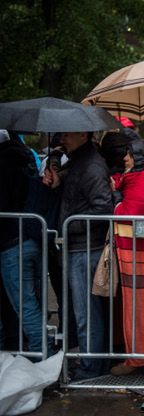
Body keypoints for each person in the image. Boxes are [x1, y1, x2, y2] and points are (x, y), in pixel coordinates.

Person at [43, 130, 113, 380]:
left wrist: (68, 225)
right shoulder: (78, 162)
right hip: (79, 246)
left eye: (68, 134)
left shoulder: (91, 165)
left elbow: (102, 207)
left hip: (86, 249)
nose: (62, 138)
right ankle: (91, 363)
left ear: (83, 135)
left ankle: (91, 366)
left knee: (86, 313)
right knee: (84, 312)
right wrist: (58, 183)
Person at [109, 139, 144, 376]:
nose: (125, 159)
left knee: (138, 305)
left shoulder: (143, 179)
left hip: (137, 253)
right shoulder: (138, 177)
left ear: (137, 157)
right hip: (139, 251)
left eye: (128, 154)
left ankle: (139, 358)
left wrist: (117, 200)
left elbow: (129, 212)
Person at [0, 130, 47, 355]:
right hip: (31, 238)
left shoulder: (4, 167)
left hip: (12, 243)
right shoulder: (27, 161)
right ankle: (39, 350)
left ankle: (41, 355)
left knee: (25, 305)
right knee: (33, 302)